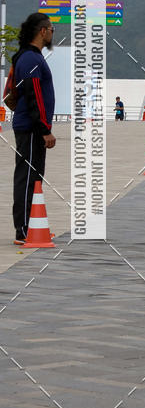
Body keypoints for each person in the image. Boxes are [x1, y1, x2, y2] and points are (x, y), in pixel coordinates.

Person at [11, 13, 56, 245]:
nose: (52, 34)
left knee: (34, 177)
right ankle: (23, 230)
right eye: (51, 29)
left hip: (32, 128)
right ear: (42, 31)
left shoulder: (30, 57)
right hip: (30, 129)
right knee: (27, 177)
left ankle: (32, 224)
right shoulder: (31, 59)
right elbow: (34, 95)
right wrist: (44, 128)